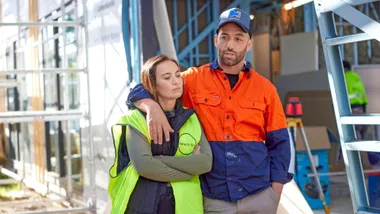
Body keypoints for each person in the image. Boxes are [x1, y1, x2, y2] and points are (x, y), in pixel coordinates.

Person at [127, 8, 293, 214]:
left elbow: (280, 143)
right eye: (224, 37)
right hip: (214, 198)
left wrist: (274, 193)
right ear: (216, 40)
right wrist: (150, 106)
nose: (230, 44)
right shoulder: (193, 79)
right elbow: (144, 86)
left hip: (258, 195)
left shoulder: (265, 89)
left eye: (238, 38)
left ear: (249, 44)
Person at [108, 54, 213, 214]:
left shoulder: (191, 118)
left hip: (185, 207)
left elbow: (205, 163)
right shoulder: (135, 118)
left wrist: (160, 160)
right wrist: (188, 172)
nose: (176, 81)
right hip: (143, 204)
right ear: (153, 85)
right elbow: (144, 166)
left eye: (178, 75)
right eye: (167, 77)